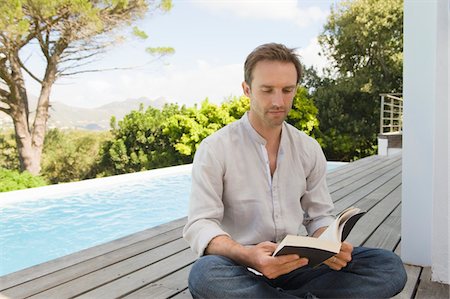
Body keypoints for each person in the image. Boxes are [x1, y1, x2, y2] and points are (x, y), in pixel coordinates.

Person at [183, 43, 407, 298]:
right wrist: (247, 254)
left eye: (287, 90)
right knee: (205, 275)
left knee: (388, 267)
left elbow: (319, 216)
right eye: (267, 90)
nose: (278, 101)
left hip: (297, 265)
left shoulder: (308, 148)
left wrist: (329, 244)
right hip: (241, 266)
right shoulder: (215, 149)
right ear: (247, 90)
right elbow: (201, 223)